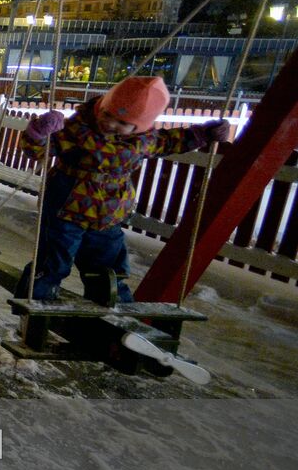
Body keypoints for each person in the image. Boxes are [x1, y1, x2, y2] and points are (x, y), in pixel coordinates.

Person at [19, 76, 229, 302]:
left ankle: (112, 308)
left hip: (109, 215)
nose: (110, 124)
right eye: (107, 114)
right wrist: (39, 133)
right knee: (53, 262)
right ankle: (35, 302)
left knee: (108, 267)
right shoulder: (77, 131)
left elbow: (171, 141)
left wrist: (203, 135)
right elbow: (38, 151)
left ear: (139, 127)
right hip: (66, 211)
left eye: (121, 122)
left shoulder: (144, 141)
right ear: (101, 106)